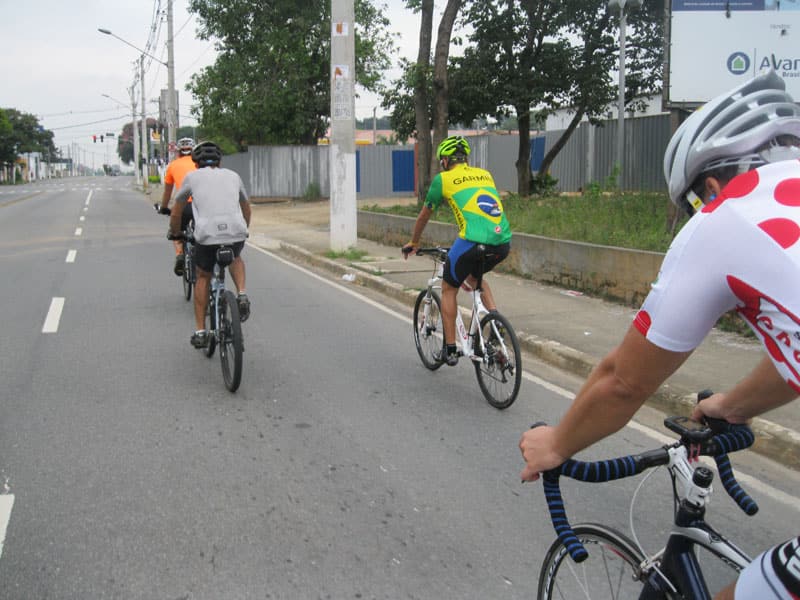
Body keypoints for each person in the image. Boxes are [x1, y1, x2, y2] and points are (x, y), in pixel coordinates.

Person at [519, 69, 800, 599]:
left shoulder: (727, 216)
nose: (697, 214)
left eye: (692, 204)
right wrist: (732, 407)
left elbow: (624, 381)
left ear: (710, 186)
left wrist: (556, 443)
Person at [401, 135, 512, 366]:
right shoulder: (485, 174)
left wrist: (414, 242)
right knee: (475, 279)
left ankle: (450, 349)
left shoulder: (443, 179)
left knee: (449, 288)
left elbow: (424, 215)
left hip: (472, 240)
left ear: (445, 160)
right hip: (502, 242)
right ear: (465, 158)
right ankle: (495, 321)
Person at [170, 141, 252, 349]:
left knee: (203, 276)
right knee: (236, 257)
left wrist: (175, 232)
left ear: (196, 163)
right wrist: (244, 228)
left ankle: (201, 332)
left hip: (207, 235)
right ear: (220, 161)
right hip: (235, 231)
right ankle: (242, 294)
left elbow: (177, 211)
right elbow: (246, 207)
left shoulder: (192, 177)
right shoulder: (234, 176)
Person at [158, 137, 197, 276]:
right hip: (200, 205)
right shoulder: (199, 164)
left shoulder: (172, 166)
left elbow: (167, 192)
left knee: (175, 231)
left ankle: (180, 254)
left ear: (178, 152)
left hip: (182, 206)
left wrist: (164, 207)